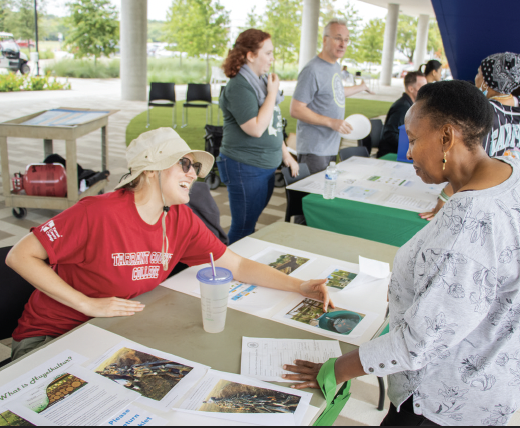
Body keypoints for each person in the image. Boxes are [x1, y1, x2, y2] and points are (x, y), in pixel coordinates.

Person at [283, 80, 520, 426]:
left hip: (453, 393)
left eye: (414, 139)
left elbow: (417, 344)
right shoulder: (518, 175)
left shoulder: (469, 223)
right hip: (515, 356)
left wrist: (335, 370)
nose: (408, 152)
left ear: (447, 138)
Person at [6, 128, 333, 361]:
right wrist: (87, 304)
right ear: (150, 170)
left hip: (108, 331)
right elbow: (21, 256)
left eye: (195, 167)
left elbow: (239, 265)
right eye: (185, 164)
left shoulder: (180, 219)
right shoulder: (97, 212)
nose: (194, 174)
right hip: (50, 337)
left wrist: (299, 285)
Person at [420, 52, 520, 221]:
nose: (476, 78)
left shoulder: (483, 113)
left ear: (486, 80)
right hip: (514, 191)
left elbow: (465, 161)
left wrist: (443, 199)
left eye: (479, 73)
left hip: (484, 196)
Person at [217, 29, 299, 244]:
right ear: (251, 55)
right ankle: (231, 269)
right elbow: (255, 128)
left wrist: (285, 154)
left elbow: (273, 124)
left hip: (263, 167)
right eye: (268, 53)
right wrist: (272, 93)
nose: (272, 59)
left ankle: (241, 266)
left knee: (250, 223)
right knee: (243, 228)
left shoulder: (261, 82)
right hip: (245, 167)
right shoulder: (239, 86)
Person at [290, 17, 372, 174]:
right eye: (338, 39)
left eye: (346, 40)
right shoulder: (312, 70)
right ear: (325, 40)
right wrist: (331, 122)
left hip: (331, 146)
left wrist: (360, 87)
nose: (343, 44)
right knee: (315, 196)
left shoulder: (335, 66)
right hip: (314, 150)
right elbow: (296, 109)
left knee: (327, 192)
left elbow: (336, 93)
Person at [376, 71, 427, 158]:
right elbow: (389, 134)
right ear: (411, 89)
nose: (426, 91)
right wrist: (413, 144)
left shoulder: (409, 105)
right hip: (391, 154)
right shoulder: (402, 107)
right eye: (423, 87)